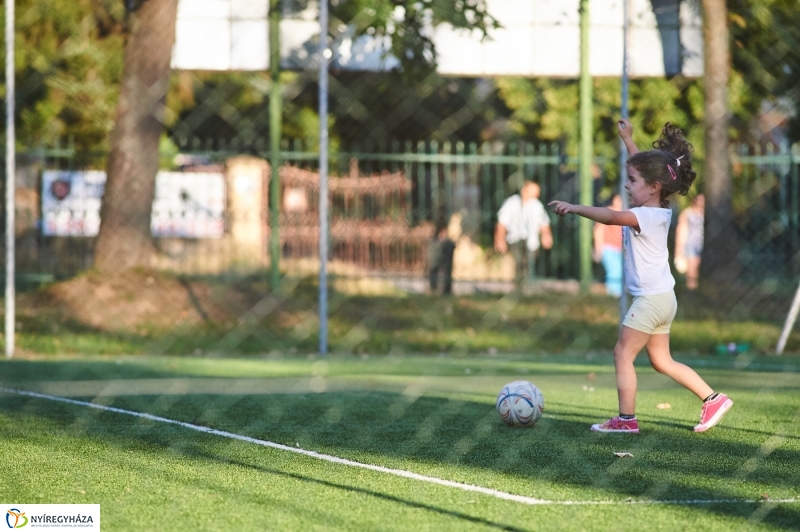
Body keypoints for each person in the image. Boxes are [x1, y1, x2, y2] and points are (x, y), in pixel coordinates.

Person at [548, 119, 733, 433]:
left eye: (631, 181)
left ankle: (626, 420)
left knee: (622, 353)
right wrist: (628, 140)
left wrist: (575, 207)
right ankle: (712, 399)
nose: (626, 185)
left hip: (650, 300)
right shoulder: (658, 208)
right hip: (663, 298)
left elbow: (610, 217)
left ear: (653, 188)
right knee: (662, 361)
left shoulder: (643, 215)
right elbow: (645, 172)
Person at [494, 181, 553, 289]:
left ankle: (527, 287)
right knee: (519, 263)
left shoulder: (537, 205)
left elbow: (544, 223)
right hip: (515, 239)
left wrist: (546, 236)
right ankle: (520, 288)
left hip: (532, 240)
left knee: (529, 264)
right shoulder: (511, 203)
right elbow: (502, 223)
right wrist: (499, 239)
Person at [593, 194, 623, 298]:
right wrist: (598, 250)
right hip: (608, 247)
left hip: (621, 250)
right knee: (615, 272)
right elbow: (598, 231)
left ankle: (616, 296)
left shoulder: (628, 214)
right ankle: (614, 296)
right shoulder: (608, 212)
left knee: (619, 272)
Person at [674, 193, 705, 291]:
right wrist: (679, 248)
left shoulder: (706, 214)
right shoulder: (687, 213)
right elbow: (681, 230)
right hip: (691, 243)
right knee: (692, 269)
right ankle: (691, 290)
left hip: (702, 243)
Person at [429, 218, 455, 294]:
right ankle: (434, 290)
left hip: (444, 263)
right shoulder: (434, 242)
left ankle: (444, 291)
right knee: (436, 276)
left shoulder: (448, 243)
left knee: (444, 277)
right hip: (436, 262)